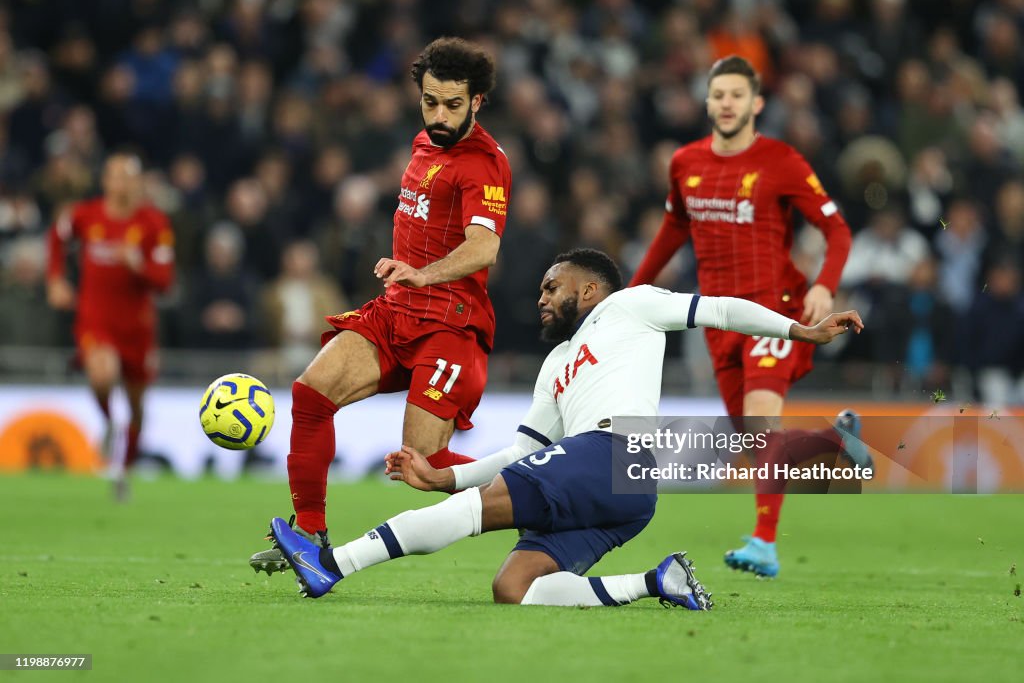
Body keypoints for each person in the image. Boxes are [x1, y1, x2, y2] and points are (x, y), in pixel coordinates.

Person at [264, 248, 863, 605]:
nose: (542, 299)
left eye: (552, 287)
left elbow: (721, 310)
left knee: (484, 508)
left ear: (590, 287)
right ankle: (657, 582)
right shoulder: (555, 365)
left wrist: (800, 330)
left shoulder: (631, 306)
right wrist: (439, 478)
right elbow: (519, 453)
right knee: (515, 588)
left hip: (613, 451)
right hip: (624, 495)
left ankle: (332, 564)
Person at [250, 37, 512, 573]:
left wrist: (422, 272)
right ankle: (310, 537)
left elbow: (484, 246)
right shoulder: (423, 145)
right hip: (396, 312)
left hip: (449, 326)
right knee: (310, 393)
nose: (440, 115)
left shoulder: (483, 164)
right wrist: (406, 276)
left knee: (423, 466)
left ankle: (546, 493)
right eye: (430, 101)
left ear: (477, 102)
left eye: (453, 105)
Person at [629, 56, 865, 578]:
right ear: (707, 102)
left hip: (774, 310)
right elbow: (672, 231)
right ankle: (834, 443)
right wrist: (631, 292)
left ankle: (763, 543)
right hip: (718, 320)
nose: (727, 103)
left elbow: (838, 231)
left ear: (756, 103)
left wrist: (824, 285)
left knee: (761, 420)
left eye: (737, 94)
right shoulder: (685, 162)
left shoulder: (781, 161)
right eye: (719, 95)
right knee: (755, 443)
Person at [46, 152, 176, 500]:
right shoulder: (86, 215)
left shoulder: (153, 224)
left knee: (137, 406)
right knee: (101, 376)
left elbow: (164, 281)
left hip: (137, 328)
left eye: (127, 177)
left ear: (138, 182)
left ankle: (124, 472)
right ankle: (107, 420)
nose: (120, 183)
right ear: (105, 181)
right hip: (96, 319)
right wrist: (56, 278)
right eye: (114, 176)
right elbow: (57, 236)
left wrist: (138, 265)